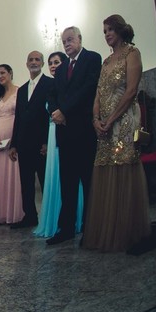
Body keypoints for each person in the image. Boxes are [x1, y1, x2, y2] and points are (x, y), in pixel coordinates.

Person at [82, 15, 150, 252]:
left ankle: (127, 230)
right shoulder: (106, 61)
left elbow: (131, 90)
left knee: (123, 166)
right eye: (104, 31)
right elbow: (98, 93)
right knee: (106, 167)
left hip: (125, 119)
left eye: (110, 29)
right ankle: (107, 229)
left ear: (120, 30)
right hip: (104, 124)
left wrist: (111, 120)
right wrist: (95, 119)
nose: (107, 34)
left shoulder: (132, 53)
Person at [47, 26, 103, 246]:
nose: (67, 44)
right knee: (67, 184)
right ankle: (66, 228)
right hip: (64, 132)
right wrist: (54, 112)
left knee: (88, 182)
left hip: (83, 131)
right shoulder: (60, 70)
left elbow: (89, 89)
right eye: (64, 41)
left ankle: (91, 229)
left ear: (80, 39)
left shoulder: (92, 58)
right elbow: (52, 94)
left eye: (70, 39)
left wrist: (65, 111)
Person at [36, 52, 84, 239]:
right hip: (53, 131)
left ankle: (76, 218)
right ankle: (57, 219)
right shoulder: (51, 84)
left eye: (56, 62)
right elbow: (49, 103)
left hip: (69, 128)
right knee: (57, 177)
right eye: (50, 63)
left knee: (72, 178)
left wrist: (62, 112)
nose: (53, 65)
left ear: (65, 64)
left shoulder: (71, 81)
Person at [10, 50, 54, 229]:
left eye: (37, 59)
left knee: (45, 182)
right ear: (26, 64)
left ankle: (48, 216)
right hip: (23, 144)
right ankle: (30, 216)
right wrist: (14, 144)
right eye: (31, 60)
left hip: (41, 144)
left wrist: (46, 142)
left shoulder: (50, 84)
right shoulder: (21, 90)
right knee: (26, 183)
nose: (34, 62)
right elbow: (18, 118)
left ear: (42, 63)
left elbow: (50, 114)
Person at [0, 64, 23, 226]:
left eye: (3, 73)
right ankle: (1, 212)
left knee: (14, 176)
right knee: (0, 177)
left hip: (14, 142)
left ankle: (15, 213)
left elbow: (22, 117)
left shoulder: (20, 91)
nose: (0, 76)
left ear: (10, 73)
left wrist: (15, 141)